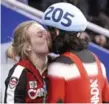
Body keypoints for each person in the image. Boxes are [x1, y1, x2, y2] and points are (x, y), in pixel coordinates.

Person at [42, 2, 109, 103]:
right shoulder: (97, 61)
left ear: (57, 32)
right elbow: (106, 99)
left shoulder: (58, 66)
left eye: (48, 30)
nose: (46, 35)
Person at [4, 20, 52, 103]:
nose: (47, 36)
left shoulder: (58, 67)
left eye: (46, 32)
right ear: (27, 47)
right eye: (40, 35)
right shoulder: (19, 72)